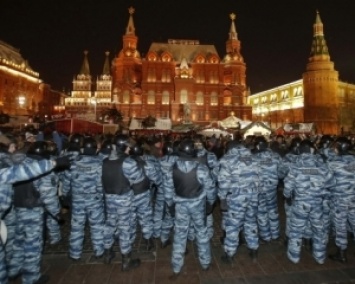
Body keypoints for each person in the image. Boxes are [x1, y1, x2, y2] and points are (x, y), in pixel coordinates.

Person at [164, 139, 216, 278]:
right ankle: (205, 263)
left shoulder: (172, 168)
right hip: (198, 205)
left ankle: (176, 267)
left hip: (180, 205)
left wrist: (170, 205)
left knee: (180, 235)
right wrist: (210, 203)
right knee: (202, 233)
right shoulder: (201, 168)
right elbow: (211, 188)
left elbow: (168, 190)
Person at [284, 139, 335, 264]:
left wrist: (288, 197)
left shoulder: (296, 164)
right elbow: (332, 183)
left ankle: (294, 257)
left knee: (296, 231)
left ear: (300, 150)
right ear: (312, 150)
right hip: (318, 204)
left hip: (300, 204)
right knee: (319, 231)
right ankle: (320, 257)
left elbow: (287, 186)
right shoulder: (321, 164)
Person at [102, 134, 144, 271]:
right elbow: (138, 179)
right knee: (125, 227)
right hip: (124, 198)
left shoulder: (105, 160)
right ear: (123, 146)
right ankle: (126, 259)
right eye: (128, 146)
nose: (129, 149)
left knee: (110, 224)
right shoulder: (128, 162)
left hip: (109, 197)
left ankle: (107, 254)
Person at [62, 137, 105, 261]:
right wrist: (101, 197)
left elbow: (66, 181)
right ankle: (99, 251)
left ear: (82, 148)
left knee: (76, 226)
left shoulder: (73, 162)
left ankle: (75, 254)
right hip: (94, 200)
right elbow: (100, 184)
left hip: (77, 200)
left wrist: (64, 195)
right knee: (97, 226)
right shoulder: (99, 163)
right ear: (96, 149)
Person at [218, 139, 259, 263]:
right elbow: (259, 177)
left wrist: (222, 197)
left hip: (236, 198)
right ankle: (254, 249)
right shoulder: (253, 158)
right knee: (251, 222)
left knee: (233, 225)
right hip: (253, 196)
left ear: (229, 148)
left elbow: (223, 182)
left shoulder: (227, 160)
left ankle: (229, 254)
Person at [328, 137, 355, 263]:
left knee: (340, 226)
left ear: (338, 147)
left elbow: (327, 182)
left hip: (339, 201)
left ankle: (342, 254)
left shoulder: (333, 163)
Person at [252, 136, 284, 243]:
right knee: (273, 210)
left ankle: (265, 236)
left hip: (259, 190)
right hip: (272, 190)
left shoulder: (253, 157)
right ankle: (275, 234)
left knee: (261, 212)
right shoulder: (276, 156)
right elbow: (282, 173)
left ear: (257, 145)